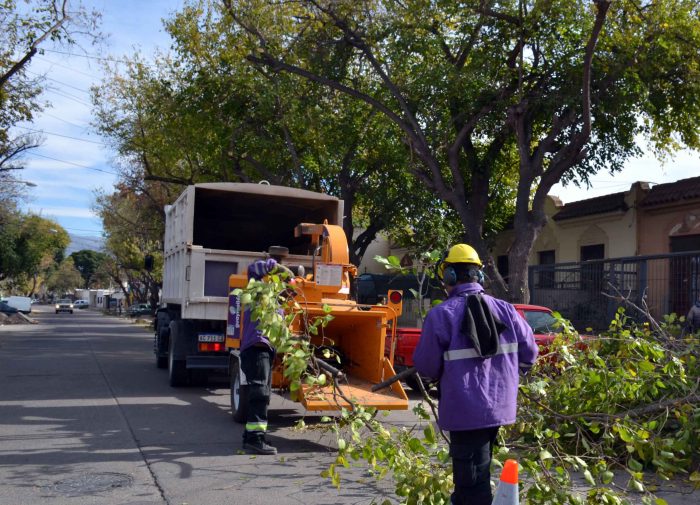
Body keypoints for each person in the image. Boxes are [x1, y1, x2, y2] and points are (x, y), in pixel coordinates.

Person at [412, 244, 539, 505]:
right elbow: (530, 353)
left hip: (465, 413)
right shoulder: (506, 310)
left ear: (449, 277)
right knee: (477, 475)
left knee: (471, 486)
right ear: (478, 275)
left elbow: (426, 367)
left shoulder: (441, 316)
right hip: (498, 410)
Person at [240, 257, 280, 455]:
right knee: (260, 394)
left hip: (263, 351)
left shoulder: (274, 301)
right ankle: (255, 440)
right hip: (256, 349)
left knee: (263, 394)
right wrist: (276, 266)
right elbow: (253, 267)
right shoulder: (256, 291)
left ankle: (253, 436)